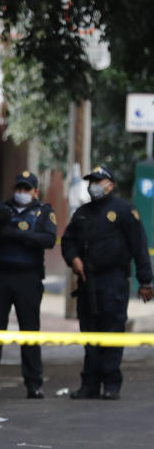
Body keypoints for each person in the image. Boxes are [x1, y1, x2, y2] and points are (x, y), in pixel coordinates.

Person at [61, 165, 154, 400]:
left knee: (112, 331)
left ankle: (111, 384)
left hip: (113, 280)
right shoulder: (82, 213)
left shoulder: (124, 211)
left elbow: (139, 246)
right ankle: (90, 384)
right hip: (87, 281)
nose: (94, 186)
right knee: (90, 333)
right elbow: (68, 241)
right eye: (91, 181)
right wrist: (73, 259)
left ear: (110, 185)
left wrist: (145, 281)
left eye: (98, 181)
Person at [0, 171, 56, 400]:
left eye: (26, 189)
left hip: (27, 279)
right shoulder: (2, 210)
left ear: (35, 192)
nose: (22, 193)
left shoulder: (44, 212)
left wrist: (16, 235)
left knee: (30, 333)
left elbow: (48, 240)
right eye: (19, 188)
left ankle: (34, 385)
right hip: (0, 278)